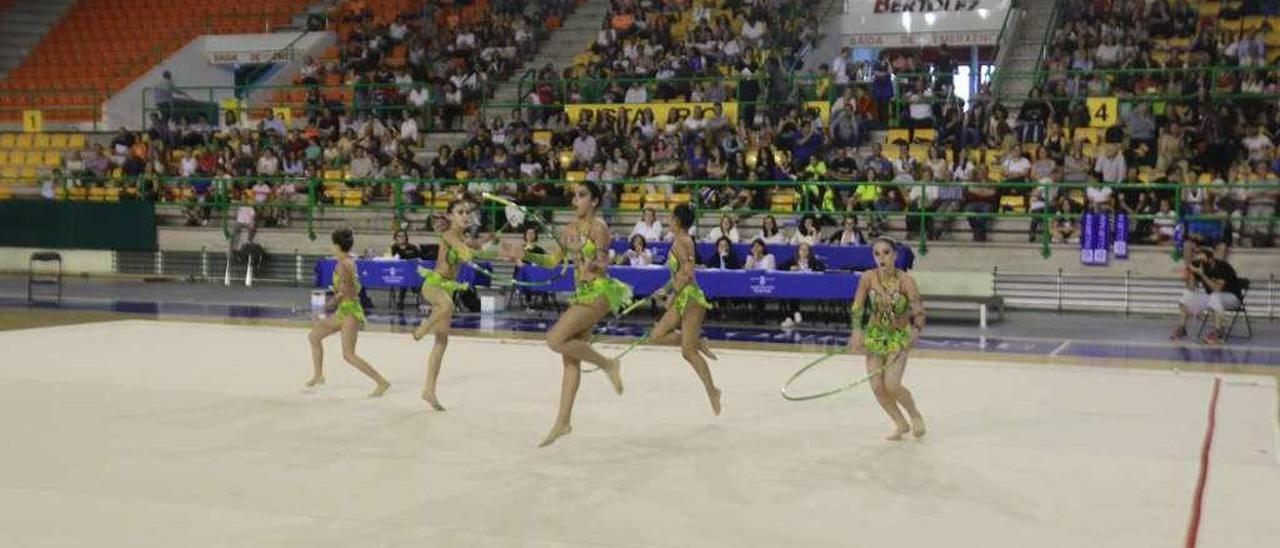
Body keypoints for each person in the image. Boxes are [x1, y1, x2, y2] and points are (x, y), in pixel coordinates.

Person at [506, 182, 629, 447]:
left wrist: (581, 249)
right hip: (581, 293)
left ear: (594, 201)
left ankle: (608, 364)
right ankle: (563, 421)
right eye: (575, 195)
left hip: (599, 291)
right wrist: (525, 253)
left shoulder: (599, 227)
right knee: (570, 358)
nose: (576, 200)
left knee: (554, 339)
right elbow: (552, 261)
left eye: (582, 195)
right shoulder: (569, 228)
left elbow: (603, 261)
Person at [642, 204, 722, 415]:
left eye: (670, 216)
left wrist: (671, 296)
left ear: (677, 221)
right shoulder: (681, 241)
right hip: (682, 297)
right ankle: (696, 341)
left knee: (688, 352)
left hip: (690, 299)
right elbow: (678, 276)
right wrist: (666, 288)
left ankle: (713, 391)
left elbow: (687, 274)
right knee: (656, 335)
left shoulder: (683, 242)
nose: (667, 220)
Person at [848, 237, 926, 440]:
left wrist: (914, 332)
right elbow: (857, 307)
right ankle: (900, 423)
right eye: (877, 254)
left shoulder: (906, 281)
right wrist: (857, 331)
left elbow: (919, 313)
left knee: (892, 384)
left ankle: (915, 415)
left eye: (886, 252)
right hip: (875, 336)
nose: (882, 258)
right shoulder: (867, 278)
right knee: (876, 386)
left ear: (895, 255)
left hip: (898, 336)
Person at [411, 200, 486, 410]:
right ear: (451, 216)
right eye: (460, 212)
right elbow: (462, 249)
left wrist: (492, 244)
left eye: (467, 212)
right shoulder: (448, 234)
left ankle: (429, 390)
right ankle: (423, 328)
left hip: (449, 287)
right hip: (434, 284)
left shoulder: (462, 237)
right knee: (448, 305)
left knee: (442, 341)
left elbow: (477, 246)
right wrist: (469, 250)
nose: (465, 216)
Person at [306, 228, 391, 397]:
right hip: (344, 311)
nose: (331, 248)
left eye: (332, 244)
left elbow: (344, 293)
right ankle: (318, 375)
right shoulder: (345, 262)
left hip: (350, 312)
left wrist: (324, 308)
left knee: (349, 354)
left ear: (337, 246)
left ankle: (382, 382)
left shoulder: (344, 264)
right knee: (314, 336)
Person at [1171, 247, 1244, 345]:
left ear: (1210, 259)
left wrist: (1203, 275)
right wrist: (1191, 275)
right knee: (1186, 297)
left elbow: (1217, 289)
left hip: (1232, 298)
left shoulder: (1222, 266)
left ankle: (1218, 333)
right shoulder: (1201, 267)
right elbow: (1191, 289)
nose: (1200, 262)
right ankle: (1182, 328)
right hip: (1213, 298)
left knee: (1215, 296)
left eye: (1202, 259)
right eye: (1198, 259)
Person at [389, 229, 420, 309]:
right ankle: (401, 301)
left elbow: (419, 258)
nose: (402, 238)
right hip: (399, 273)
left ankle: (415, 290)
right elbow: (393, 260)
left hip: (413, 272)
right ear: (395, 238)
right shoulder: (394, 248)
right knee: (404, 279)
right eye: (399, 236)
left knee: (408, 277)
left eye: (404, 236)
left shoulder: (412, 247)